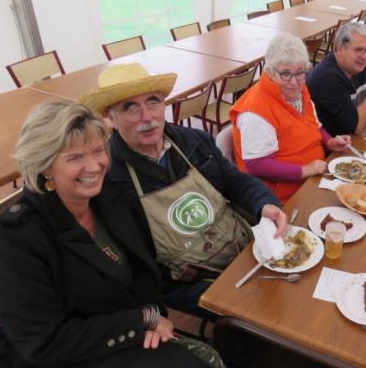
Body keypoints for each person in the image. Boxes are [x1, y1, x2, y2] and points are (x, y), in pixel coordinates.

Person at [0, 101, 221, 367]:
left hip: (114, 335)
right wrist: (139, 321)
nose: (94, 166)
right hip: (65, 356)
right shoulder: (15, 240)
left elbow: (142, 270)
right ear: (45, 166)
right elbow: (46, 344)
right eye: (74, 157)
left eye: (98, 151)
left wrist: (153, 314)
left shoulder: (107, 199)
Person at [80, 63, 286, 317]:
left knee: (289, 290)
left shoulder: (193, 141)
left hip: (241, 245)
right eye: (130, 107)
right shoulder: (108, 180)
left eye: (153, 101)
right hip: (187, 281)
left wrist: (264, 204)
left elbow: (235, 181)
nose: (147, 117)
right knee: (259, 315)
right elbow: (132, 263)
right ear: (110, 117)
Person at [229, 33, 350, 204]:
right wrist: (305, 170)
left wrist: (329, 142)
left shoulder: (299, 91)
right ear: (270, 72)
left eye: (300, 73)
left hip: (314, 178)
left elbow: (314, 125)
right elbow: (256, 164)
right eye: (285, 74)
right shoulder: (255, 111)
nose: (294, 82)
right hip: (283, 195)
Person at [307, 22, 366, 136]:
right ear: (339, 49)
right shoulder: (328, 78)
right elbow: (355, 127)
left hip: (349, 140)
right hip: (331, 148)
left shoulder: (355, 67)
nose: (365, 56)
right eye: (359, 50)